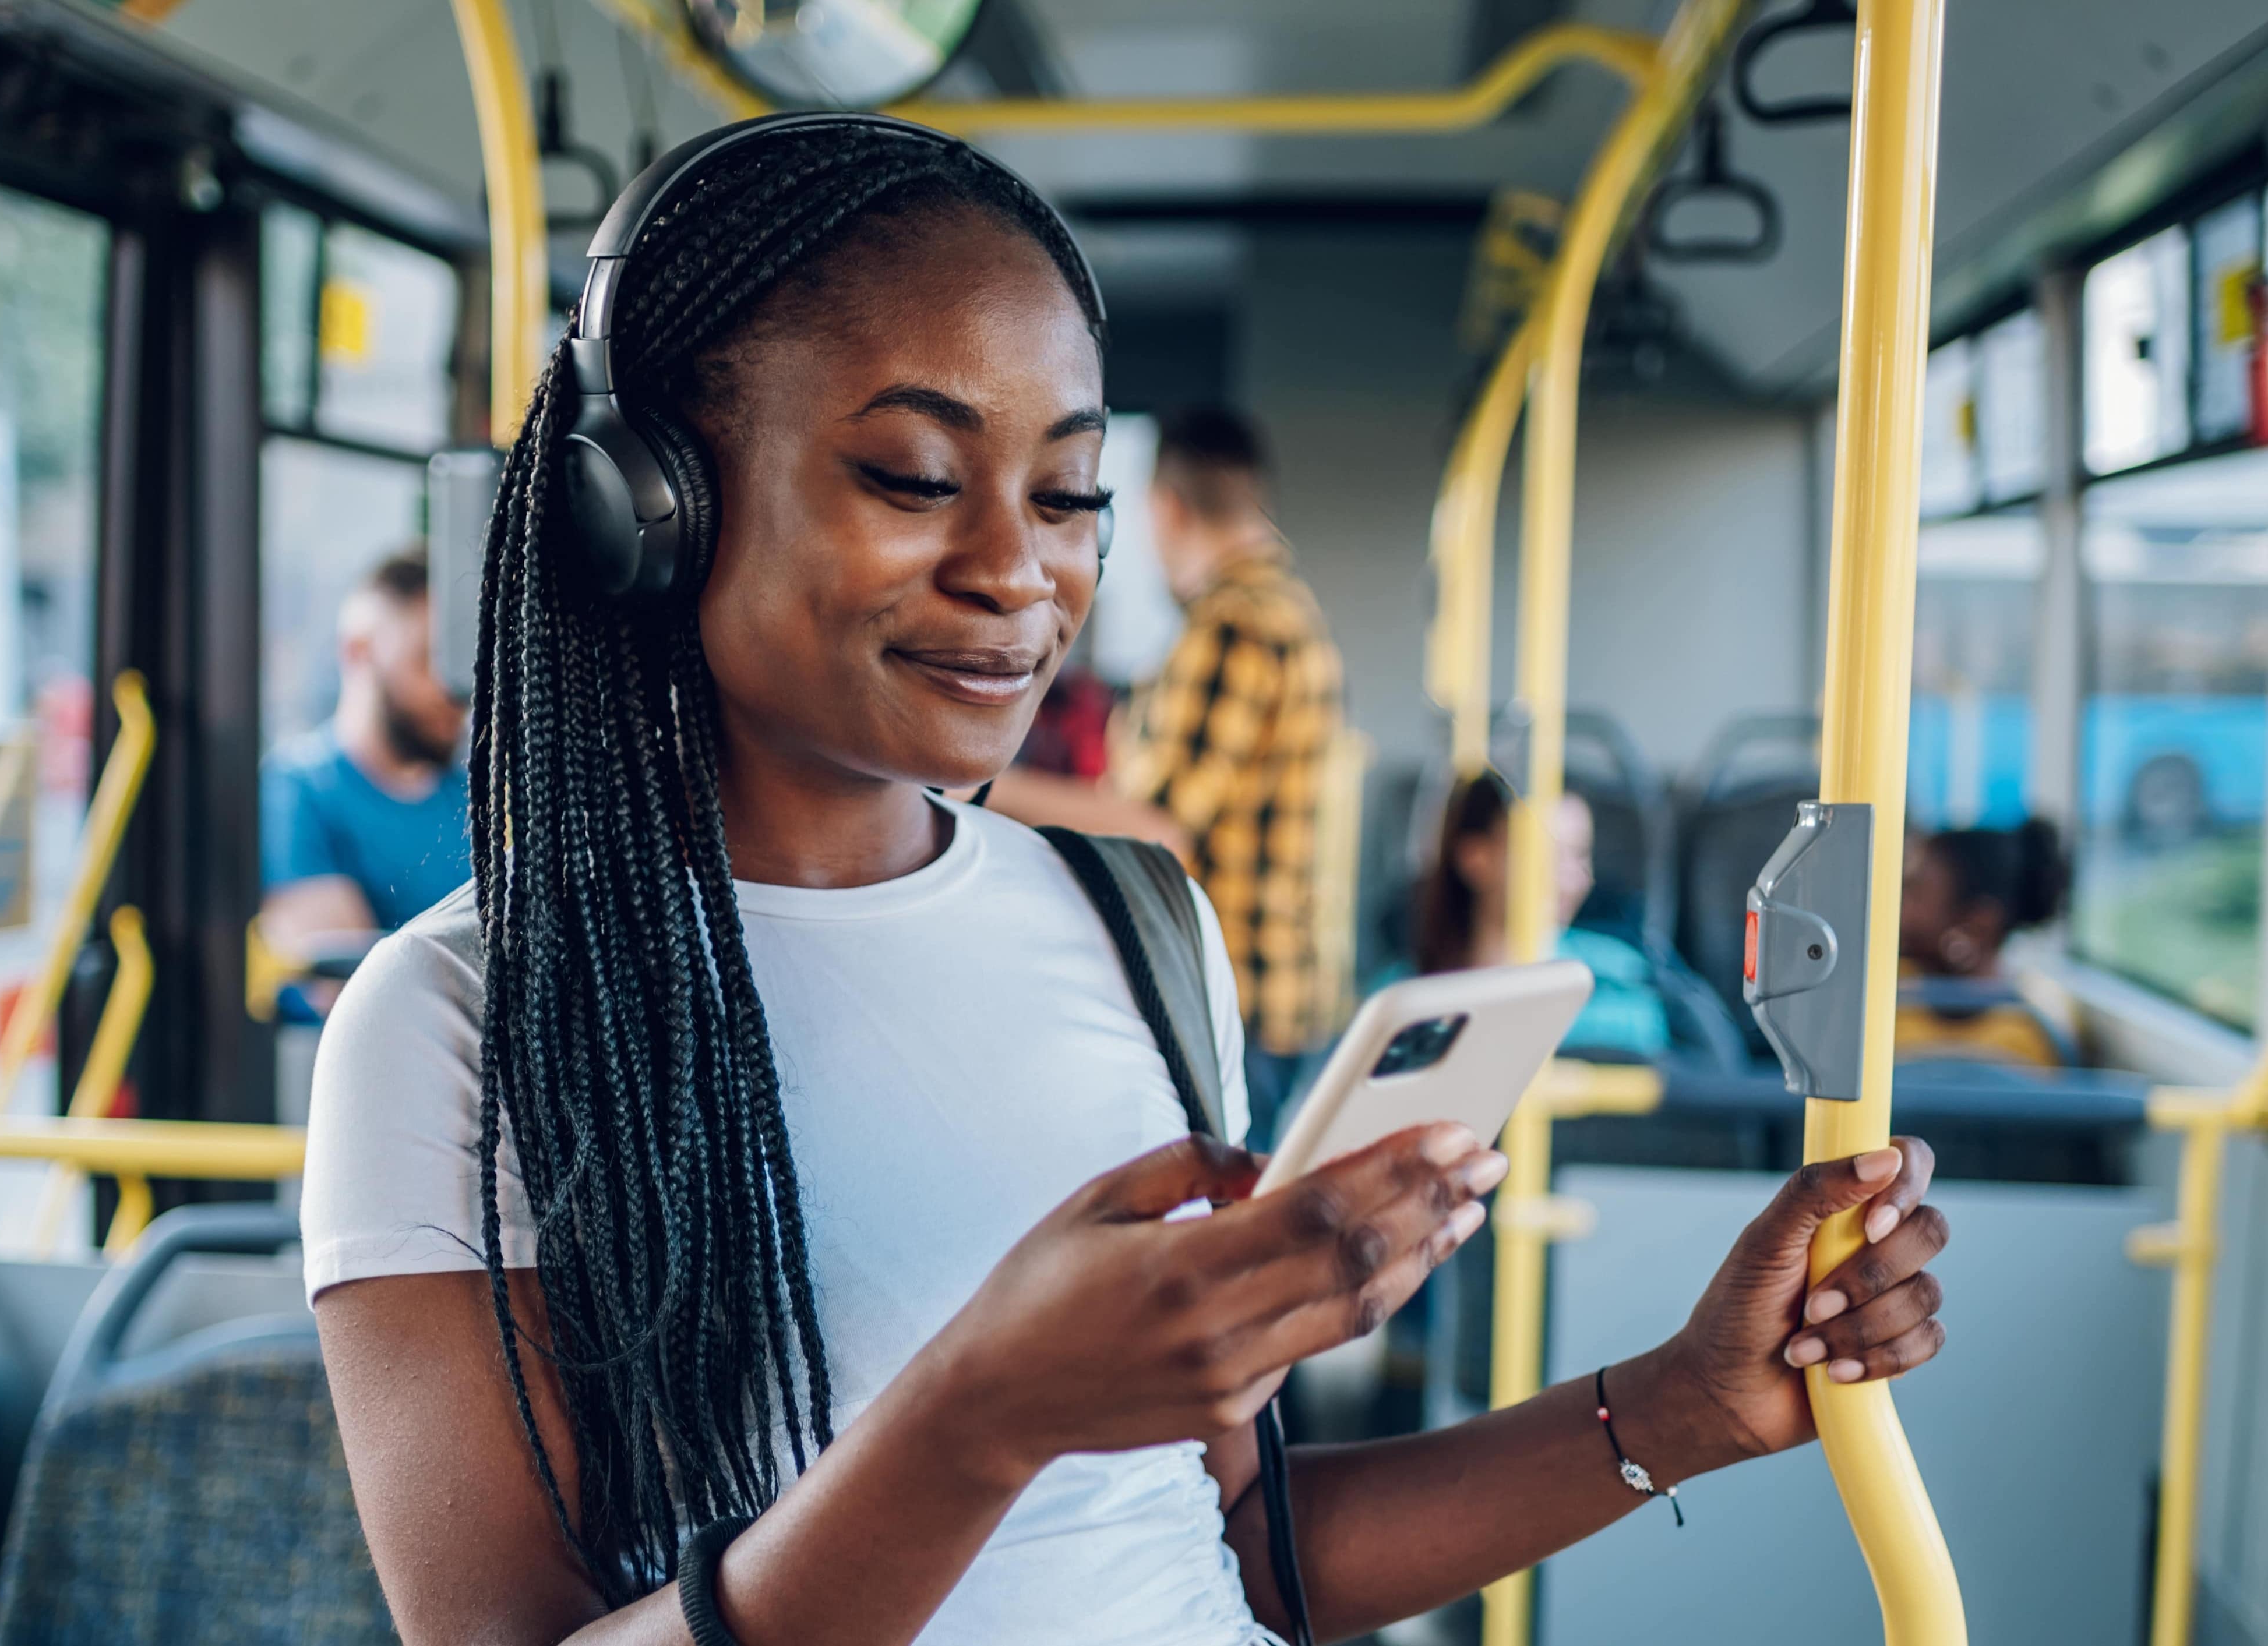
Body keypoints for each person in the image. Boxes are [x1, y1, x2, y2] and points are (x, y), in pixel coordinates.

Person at [304, 115, 1950, 1646]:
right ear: (642, 507)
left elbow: (1232, 1547)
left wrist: (1677, 1406)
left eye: (1073, 492)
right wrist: (980, 1417)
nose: (1019, 568)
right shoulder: (452, 1023)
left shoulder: (1133, 928)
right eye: (914, 479)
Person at [995, 407, 1348, 1131]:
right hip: (1281, 992)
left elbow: (1157, 831)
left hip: (1231, 993)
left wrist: (982, 788)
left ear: (1166, 509)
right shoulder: (1292, 611)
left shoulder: (1231, 625)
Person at [258, 548, 470, 1006]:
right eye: (427, 661)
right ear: (359, 650)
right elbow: (351, 993)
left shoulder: (478, 802)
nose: (454, 691)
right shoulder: (295, 791)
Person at [1391, 771, 1670, 1061]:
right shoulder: (1402, 1001)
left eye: (1579, 855)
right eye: (1548, 855)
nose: (1572, 879)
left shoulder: (1625, 982)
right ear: (1475, 858)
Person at [1895, 819, 2077, 1068]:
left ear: (1977, 926)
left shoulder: (2035, 1032)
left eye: (1913, 893)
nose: (1896, 908)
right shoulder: (1884, 992)